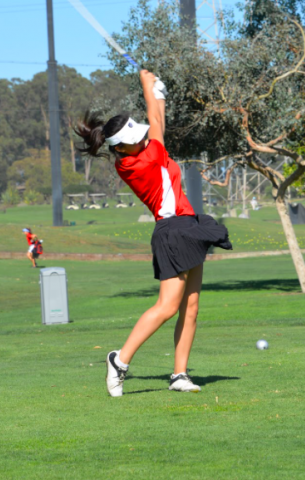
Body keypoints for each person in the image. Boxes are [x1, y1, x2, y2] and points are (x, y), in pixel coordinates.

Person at [74, 69, 232, 397]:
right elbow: (157, 124)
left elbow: (155, 121)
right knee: (167, 306)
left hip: (189, 225)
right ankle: (119, 360)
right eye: (135, 141)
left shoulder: (142, 150)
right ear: (122, 150)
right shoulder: (138, 163)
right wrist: (149, 86)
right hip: (172, 231)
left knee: (191, 306)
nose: (142, 139)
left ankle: (179, 374)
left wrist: (158, 93)